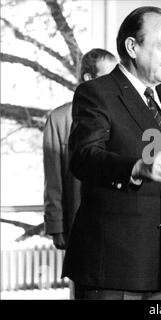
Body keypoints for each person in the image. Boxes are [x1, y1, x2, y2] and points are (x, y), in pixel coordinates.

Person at [62, 6, 161, 300]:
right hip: (112, 266)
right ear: (132, 47)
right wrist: (137, 167)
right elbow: (83, 157)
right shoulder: (96, 92)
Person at [43, 48, 117, 249]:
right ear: (88, 78)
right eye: (108, 76)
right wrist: (56, 226)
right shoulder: (59, 119)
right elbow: (53, 180)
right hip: (79, 225)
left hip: (116, 225)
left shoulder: (120, 117)